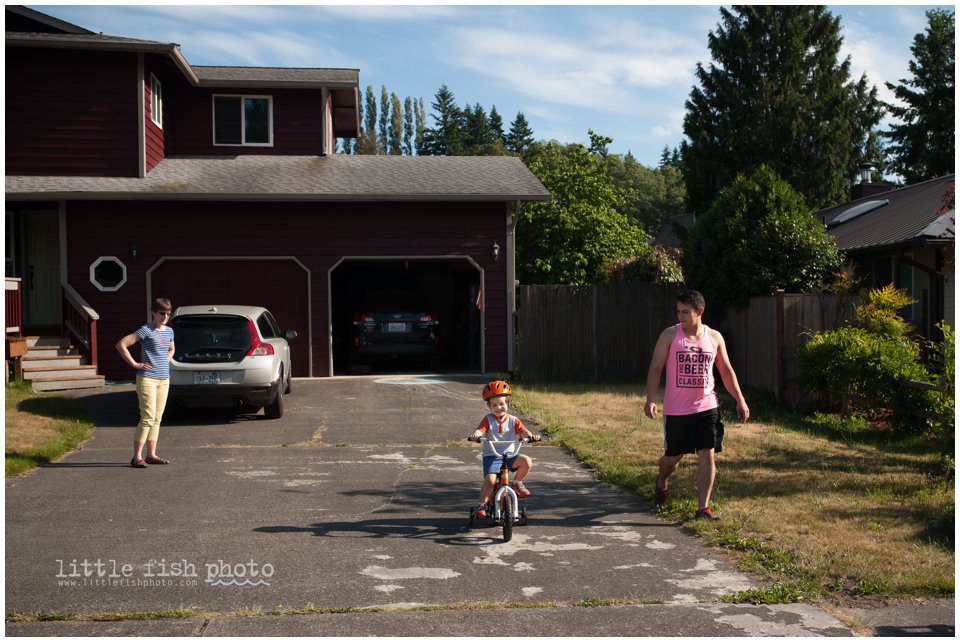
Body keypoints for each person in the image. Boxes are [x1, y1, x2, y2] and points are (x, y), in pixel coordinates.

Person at [644, 290, 749, 520]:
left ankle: (703, 508)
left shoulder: (714, 337)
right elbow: (655, 368)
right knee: (672, 459)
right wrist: (651, 398)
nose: (680, 316)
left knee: (707, 455)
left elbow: (726, 371)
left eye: (685, 312)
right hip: (677, 410)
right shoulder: (670, 335)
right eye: (678, 311)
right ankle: (661, 480)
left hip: (707, 407)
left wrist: (740, 399)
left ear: (699, 311)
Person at [467, 380, 542, 518]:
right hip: (492, 456)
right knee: (490, 481)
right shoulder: (488, 419)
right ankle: (482, 504)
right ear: (489, 406)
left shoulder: (513, 420)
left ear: (508, 403)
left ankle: (516, 482)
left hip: (510, 455)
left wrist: (532, 437)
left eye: (501, 404)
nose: (498, 407)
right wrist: (476, 435)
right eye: (494, 405)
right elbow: (480, 430)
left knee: (526, 461)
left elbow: (524, 432)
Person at [116, 297, 176, 469]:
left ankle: (151, 455)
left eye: (168, 313)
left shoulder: (169, 331)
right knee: (147, 417)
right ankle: (136, 457)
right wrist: (135, 364)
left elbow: (171, 348)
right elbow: (121, 345)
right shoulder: (146, 330)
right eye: (162, 313)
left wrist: (165, 360)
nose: (165, 317)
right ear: (153, 313)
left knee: (157, 418)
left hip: (164, 379)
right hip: (147, 378)